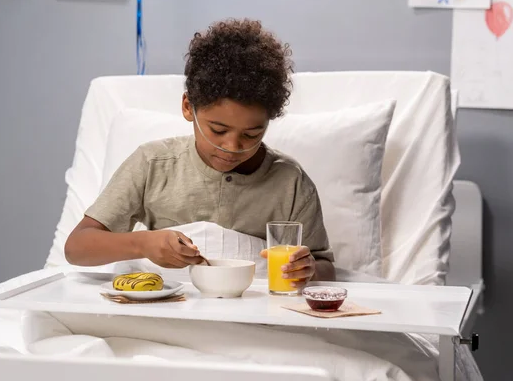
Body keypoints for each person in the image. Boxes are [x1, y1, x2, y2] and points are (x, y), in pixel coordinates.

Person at [64, 18, 335, 286]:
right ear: (187, 107)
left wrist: (307, 269)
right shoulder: (153, 164)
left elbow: (325, 267)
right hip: (170, 308)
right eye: (218, 130)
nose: (232, 147)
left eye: (251, 134)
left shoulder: (291, 182)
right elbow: (77, 247)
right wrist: (142, 243)